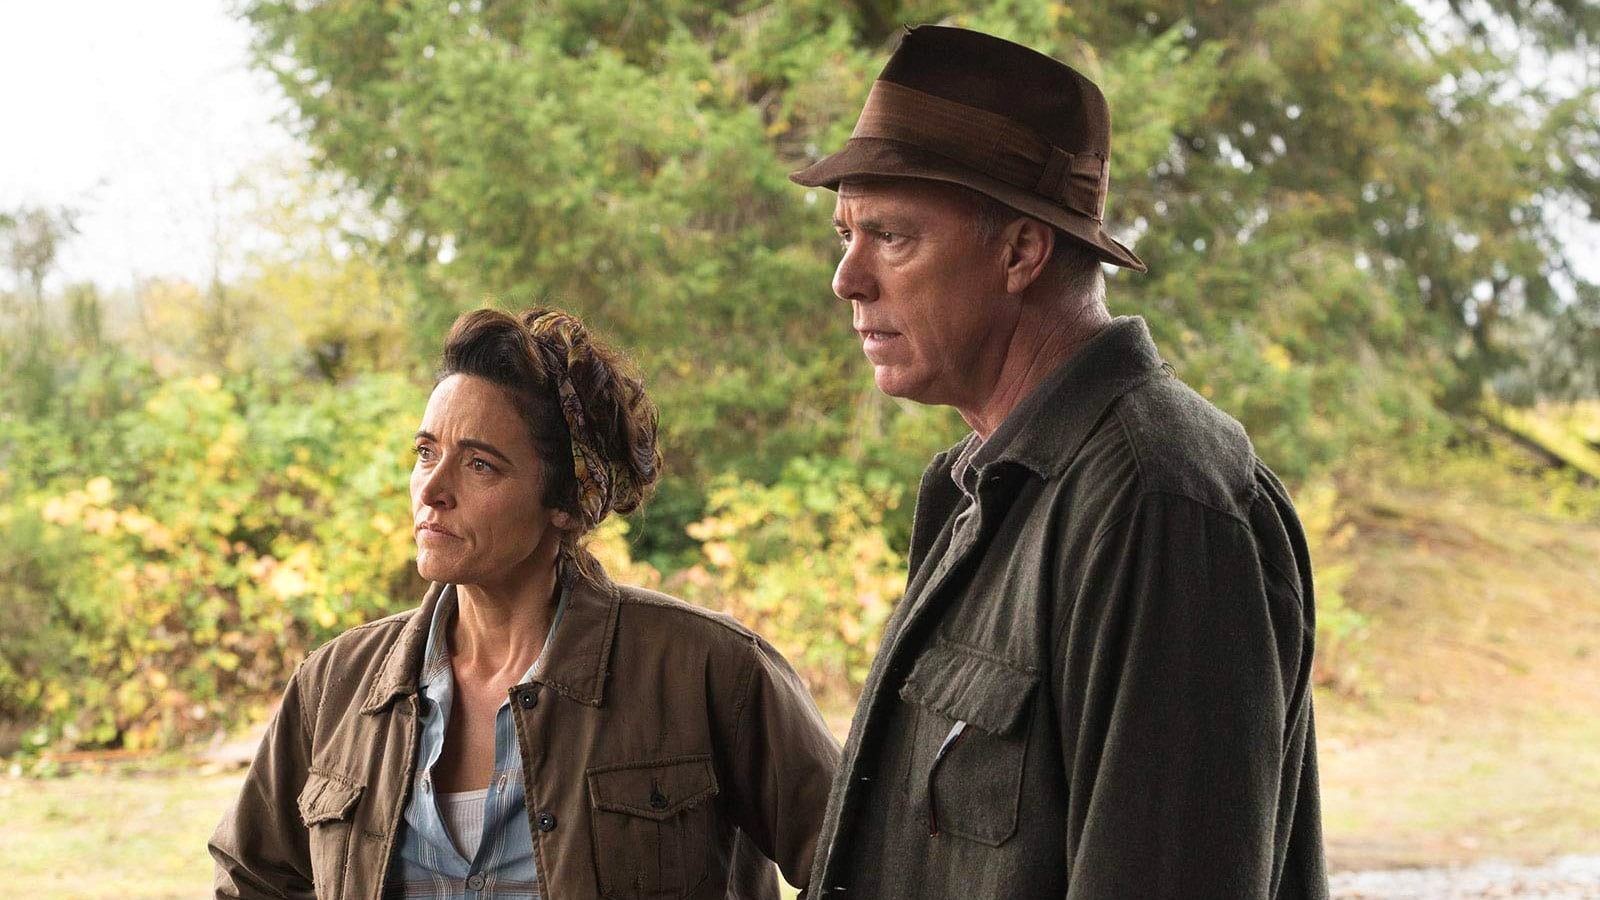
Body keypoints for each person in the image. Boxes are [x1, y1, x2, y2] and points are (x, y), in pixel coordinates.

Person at [788, 25, 1328, 899]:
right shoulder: (984, 486)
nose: (847, 279)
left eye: (889, 236)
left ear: (1021, 252)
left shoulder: (1157, 501)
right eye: (844, 234)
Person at [210, 308, 840, 899]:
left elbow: (864, 861)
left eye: (480, 465)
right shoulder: (335, 683)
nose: (431, 490)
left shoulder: (709, 670)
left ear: (566, 501)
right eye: (426, 453)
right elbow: (251, 878)